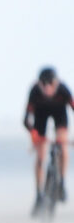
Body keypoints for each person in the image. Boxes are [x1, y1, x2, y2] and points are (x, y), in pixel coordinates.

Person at [23, 66, 74, 215]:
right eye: (43, 83)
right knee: (40, 156)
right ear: (39, 83)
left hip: (60, 116)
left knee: (63, 145)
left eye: (50, 83)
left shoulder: (64, 90)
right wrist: (34, 135)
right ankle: (39, 193)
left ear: (56, 82)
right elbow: (26, 119)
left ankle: (62, 182)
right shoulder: (34, 92)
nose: (47, 87)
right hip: (41, 117)